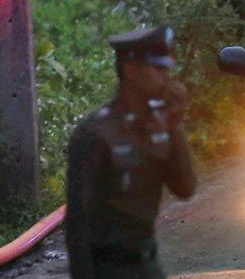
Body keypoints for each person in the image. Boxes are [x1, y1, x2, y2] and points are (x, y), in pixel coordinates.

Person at [66, 25, 197, 279]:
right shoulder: (96, 133)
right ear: (130, 70)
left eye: (167, 68)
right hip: (109, 270)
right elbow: (77, 227)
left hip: (148, 266)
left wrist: (174, 126)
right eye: (157, 69)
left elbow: (186, 188)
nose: (166, 77)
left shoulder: (159, 124)